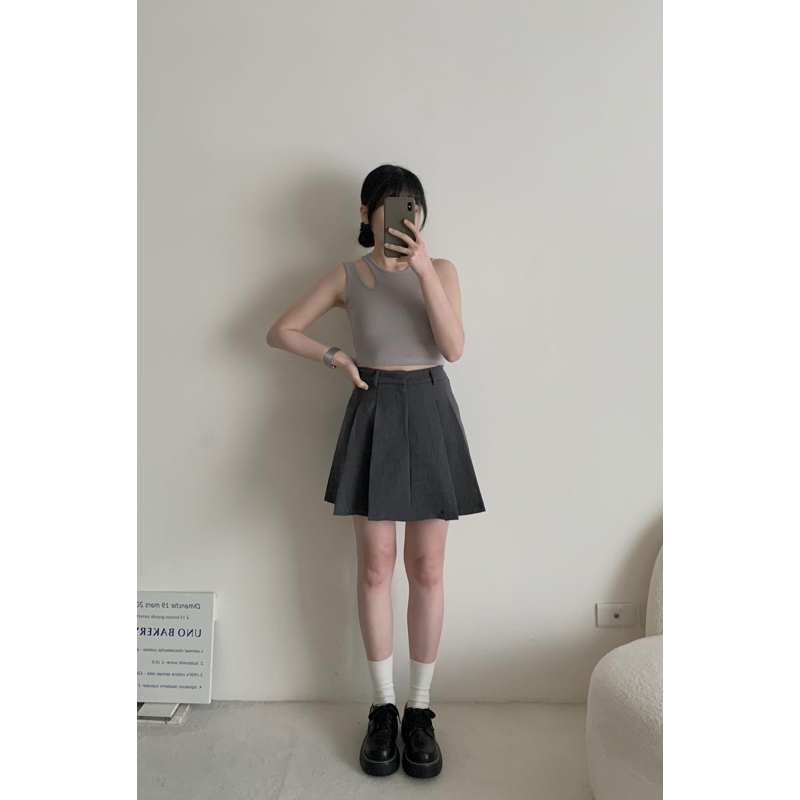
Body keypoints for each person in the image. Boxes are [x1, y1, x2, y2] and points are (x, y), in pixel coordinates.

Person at [267, 164, 486, 779]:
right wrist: (335, 356)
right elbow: (280, 331)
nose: (404, 214)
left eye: (413, 204)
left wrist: (423, 271)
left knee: (427, 568)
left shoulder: (442, 271)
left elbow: (453, 348)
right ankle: (383, 706)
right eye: (392, 205)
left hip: (431, 408)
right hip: (375, 409)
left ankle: (420, 709)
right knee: (375, 566)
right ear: (368, 215)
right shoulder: (347, 276)